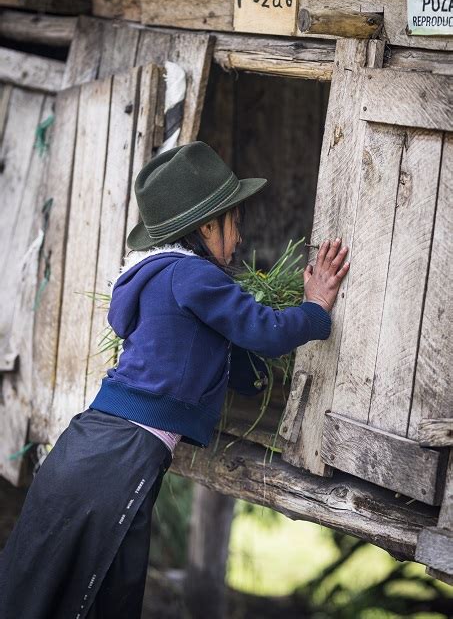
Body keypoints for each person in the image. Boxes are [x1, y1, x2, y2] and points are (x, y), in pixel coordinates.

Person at [0, 141, 349, 618]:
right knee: (95, 592)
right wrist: (314, 309)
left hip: (89, 444)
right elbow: (264, 331)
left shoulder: (161, 279)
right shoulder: (194, 277)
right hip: (121, 454)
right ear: (207, 226)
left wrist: (254, 379)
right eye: (235, 223)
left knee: (51, 582)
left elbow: (212, 352)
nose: (241, 239)